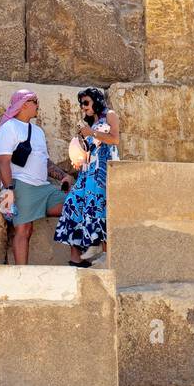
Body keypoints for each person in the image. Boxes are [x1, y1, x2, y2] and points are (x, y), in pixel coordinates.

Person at [0, 90, 72, 265]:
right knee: (24, 230)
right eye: (35, 101)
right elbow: (3, 161)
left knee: (73, 206)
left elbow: (44, 160)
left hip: (44, 188)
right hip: (22, 185)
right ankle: (21, 274)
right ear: (24, 105)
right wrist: (8, 191)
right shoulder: (8, 128)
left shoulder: (37, 131)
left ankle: (77, 259)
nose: (38, 105)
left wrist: (63, 176)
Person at [54, 88, 120, 267]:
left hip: (102, 172)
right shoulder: (91, 123)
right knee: (72, 203)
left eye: (86, 102)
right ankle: (88, 247)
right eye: (81, 104)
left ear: (96, 100)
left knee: (99, 207)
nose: (83, 107)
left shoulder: (110, 115)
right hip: (87, 171)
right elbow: (88, 150)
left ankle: (104, 254)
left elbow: (115, 139)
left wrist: (91, 133)